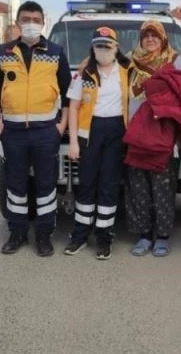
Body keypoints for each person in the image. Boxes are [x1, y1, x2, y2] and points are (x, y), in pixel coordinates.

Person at [0, 1, 71, 257]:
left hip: (46, 131)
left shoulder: (56, 52)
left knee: (46, 186)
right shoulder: (4, 52)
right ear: (17, 22)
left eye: (36, 19)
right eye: (27, 19)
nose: (31, 24)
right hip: (12, 132)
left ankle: (44, 236)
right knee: (15, 185)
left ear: (43, 23)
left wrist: (61, 127)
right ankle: (17, 233)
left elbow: (69, 96)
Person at [64, 27, 130, 260]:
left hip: (116, 133)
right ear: (92, 48)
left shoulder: (127, 71)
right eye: (98, 45)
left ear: (116, 47)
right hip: (89, 135)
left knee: (109, 186)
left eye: (107, 45)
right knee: (87, 184)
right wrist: (73, 142)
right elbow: (72, 107)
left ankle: (104, 237)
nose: (103, 49)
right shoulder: (83, 74)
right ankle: (80, 235)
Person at [125, 20, 181, 257]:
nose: (150, 39)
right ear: (140, 39)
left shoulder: (175, 61)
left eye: (155, 35)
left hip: (164, 135)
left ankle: (162, 236)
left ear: (163, 39)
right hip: (136, 135)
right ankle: (143, 235)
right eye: (146, 36)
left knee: (163, 189)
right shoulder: (131, 62)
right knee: (138, 188)